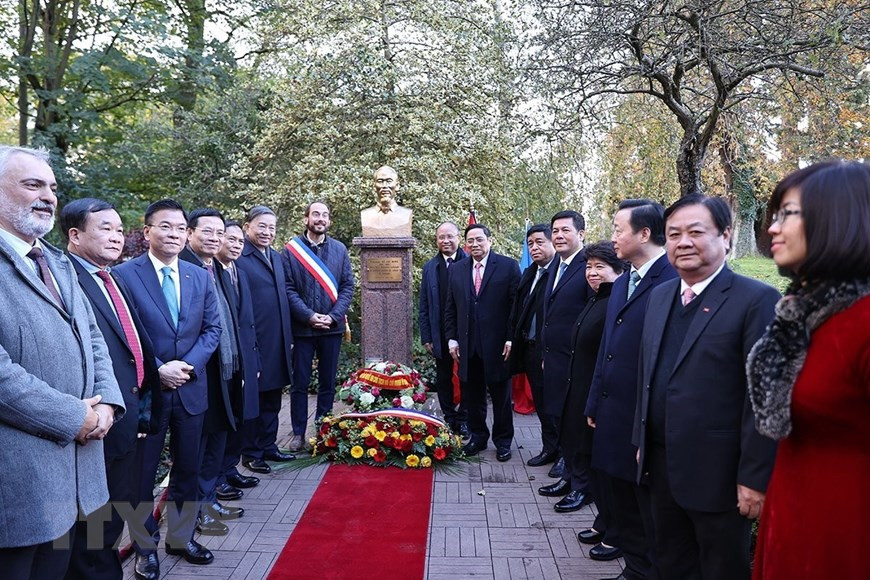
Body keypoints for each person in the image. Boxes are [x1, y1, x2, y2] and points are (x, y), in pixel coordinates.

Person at [634, 194, 779, 580]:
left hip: (720, 476)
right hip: (660, 467)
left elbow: (763, 397)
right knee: (669, 563)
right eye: (673, 234)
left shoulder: (757, 300)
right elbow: (647, 375)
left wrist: (755, 478)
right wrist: (640, 442)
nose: (683, 242)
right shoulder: (661, 295)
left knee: (720, 568)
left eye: (696, 232)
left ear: (726, 236)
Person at [0, 146, 125, 578]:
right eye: (32, 184)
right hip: (20, 485)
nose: (48, 196)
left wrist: (108, 401)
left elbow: (93, 338)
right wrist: (76, 416)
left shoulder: (56, 261)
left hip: (77, 478)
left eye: (52, 186)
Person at [748, 161, 870, 579]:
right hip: (794, 516)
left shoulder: (863, 322)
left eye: (788, 214)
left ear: (840, 215)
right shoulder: (805, 315)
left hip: (845, 535)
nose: (772, 230)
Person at [114, 199, 221, 577]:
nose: (173, 234)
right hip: (148, 394)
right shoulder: (125, 276)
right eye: (165, 226)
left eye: (179, 228)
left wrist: (187, 367)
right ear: (147, 232)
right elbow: (123, 334)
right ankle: (146, 549)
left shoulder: (199, 276)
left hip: (191, 391)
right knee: (141, 477)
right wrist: (158, 369)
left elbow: (213, 330)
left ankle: (181, 536)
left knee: (188, 470)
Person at [61, 198, 162, 580]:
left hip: (126, 420)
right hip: (93, 425)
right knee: (90, 534)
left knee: (112, 519)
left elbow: (133, 347)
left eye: (120, 229)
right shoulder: (63, 279)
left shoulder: (111, 276)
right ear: (75, 234)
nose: (117, 237)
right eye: (106, 228)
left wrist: (142, 410)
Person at [584, 199, 676, 576]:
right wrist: (593, 401)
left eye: (618, 229)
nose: (613, 237)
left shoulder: (672, 280)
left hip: (646, 418)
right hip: (612, 410)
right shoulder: (622, 283)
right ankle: (635, 568)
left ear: (643, 233)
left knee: (649, 506)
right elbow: (608, 347)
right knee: (622, 500)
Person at [179, 209, 246, 536]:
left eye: (220, 233)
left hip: (226, 368)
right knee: (198, 447)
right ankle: (194, 513)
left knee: (218, 437)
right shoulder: (185, 268)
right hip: (199, 374)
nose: (215, 238)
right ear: (190, 233)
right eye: (208, 232)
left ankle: (208, 499)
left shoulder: (215, 268)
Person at [561, 241, 624, 558]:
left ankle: (616, 532)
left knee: (604, 467)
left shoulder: (617, 302)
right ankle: (604, 520)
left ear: (618, 270)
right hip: (582, 391)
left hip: (601, 399)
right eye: (588, 266)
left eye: (600, 267)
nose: (592, 272)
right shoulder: (597, 299)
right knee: (591, 462)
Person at [444, 224, 521, 461]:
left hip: (498, 345)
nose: (475, 244)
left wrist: (511, 338)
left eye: (479, 239)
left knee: (501, 396)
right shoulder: (457, 269)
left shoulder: (508, 266)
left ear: (490, 240)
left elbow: (516, 308)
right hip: (467, 347)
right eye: (470, 240)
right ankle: (478, 437)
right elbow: (451, 307)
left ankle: (503, 441)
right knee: (473, 396)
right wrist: (452, 339)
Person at [281, 201, 354, 449]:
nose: (320, 219)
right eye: (315, 214)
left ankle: (323, 429)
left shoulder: (340, 249)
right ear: (306, 218)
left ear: (329, 221)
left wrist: (334, 316)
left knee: (327, 382)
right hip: (303, 328)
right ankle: (298, 432)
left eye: (324, 215)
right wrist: (309, 315)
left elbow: (347, 286)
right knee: (300, 383)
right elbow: (288, 288)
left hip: (332, 328)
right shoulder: (291, 251)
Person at [537, 211, 595, 512]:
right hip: (556, 360)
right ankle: (570, 475)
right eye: (555, 231)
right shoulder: (556, 267)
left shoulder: (589, 266)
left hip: (579, 363)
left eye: (565, 231)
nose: (558, 236)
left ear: (581, 234)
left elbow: (593, 315)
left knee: (578, 427)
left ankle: (582, 486)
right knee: (563, 421)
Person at [235, 205, 295, 472]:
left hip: (279, 339)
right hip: (256, 341)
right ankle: (251, 452)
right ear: (247, 226)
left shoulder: (277, 257)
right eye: (262, 226)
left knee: (273, 397)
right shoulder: (240, 258)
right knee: (255, 399)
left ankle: (269, 446)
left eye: (272, 227)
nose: (267, 232)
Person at [215, 220, 262, 496]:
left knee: (241, 416)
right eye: (230, 239)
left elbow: (249, 320)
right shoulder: (212, 273)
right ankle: (218, 475)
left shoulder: (239, 272)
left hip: (245, 356)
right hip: (226, 360)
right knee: (227, 417)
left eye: (239, 242)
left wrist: (254, 360)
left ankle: (230, 468)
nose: (235, 245)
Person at [509, 224, 557, 468]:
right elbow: (519, 310)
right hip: (528, 347)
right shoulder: (530, 272)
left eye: (540, 242)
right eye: (530, 244)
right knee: (541, 403)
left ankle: (562, 454)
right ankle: (550, 449)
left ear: (552, 243)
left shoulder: (559, 273)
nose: (534, 247)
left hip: (550, 351)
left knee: (554, 404)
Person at [419, 221, 468, 436]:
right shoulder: (431, 267)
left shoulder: (470, 262)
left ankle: (465, 419)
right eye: (441, 237)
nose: (445, 241)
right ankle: (448, 418)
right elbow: (424, 306)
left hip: (466, 332)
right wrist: (427, 336)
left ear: (458, 238)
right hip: (440, 334)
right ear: (436, 240)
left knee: (467, 378)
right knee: (443, 378)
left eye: (450, 236)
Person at [360, 165, 413, 237]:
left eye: (389, 181)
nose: (384, 186)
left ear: (397, 186)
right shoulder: (366, 215)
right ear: (374, 186)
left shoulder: (406, 215)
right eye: (380, 181)